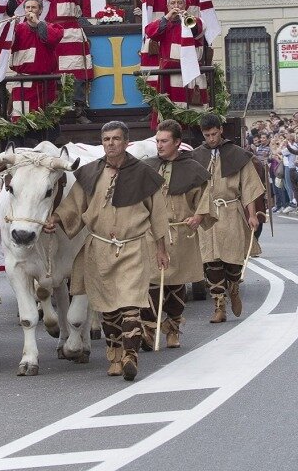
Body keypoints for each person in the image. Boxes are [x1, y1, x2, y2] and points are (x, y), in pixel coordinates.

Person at [46, 121, 169, 381]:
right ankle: (114, 352)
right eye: (106, 139)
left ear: (126, 142)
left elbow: (158, 215)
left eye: (115, 139)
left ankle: (130, 356)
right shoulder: (90, 173)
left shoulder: (145, 175)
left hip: (133, 246)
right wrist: (55, 219)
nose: (111, 143)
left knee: (131, 305)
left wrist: (161, 248)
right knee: (108, 308)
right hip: (100, 247)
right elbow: (73, 205)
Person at [140, 119, 214, 349]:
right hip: (152, 234)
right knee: (151, 282)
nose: (159, 146)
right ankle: (149, 329)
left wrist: (199, 217)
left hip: (181, 232)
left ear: (177, 143)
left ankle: (173, 329)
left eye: (164, 141)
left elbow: (205, 198)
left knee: (176, 283)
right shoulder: (147, 167)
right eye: (157, 141)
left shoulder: (193, 169)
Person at [192, 114, 265, 323]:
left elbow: (249, 187)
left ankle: (233, 287)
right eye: (207, 135)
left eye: (214, 134)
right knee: (211, 262)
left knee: (233, 262)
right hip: (207, 214)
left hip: (230, 211)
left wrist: (252, 215)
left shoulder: (238, 155)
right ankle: (219, 306)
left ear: (220, 130)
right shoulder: (197, 156)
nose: (211, 139)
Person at [24, 0, 93, 123]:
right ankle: (55, 112)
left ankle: (79, 110)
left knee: (76, 71)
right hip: (49, 30)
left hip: (71, 32)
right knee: (53, 71)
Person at [145, 0, 208, 123]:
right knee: (169, 110)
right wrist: (167, 17)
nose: (176, 6)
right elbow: (150, 32)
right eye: (172, 3)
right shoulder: (164, 23)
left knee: (190, 110)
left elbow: (200, 29)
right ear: (167, 6)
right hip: (168, 75)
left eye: (180, 3)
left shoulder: (192, 19)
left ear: (185, 5)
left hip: (188, 74)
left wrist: (186, 17)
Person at [9, 0, 64, 121]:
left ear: (40, 10)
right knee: (21, 120)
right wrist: (11, 27)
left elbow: (53, 39)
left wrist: (38, 23)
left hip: (45, 84)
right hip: (23, 83)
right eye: (27, 7)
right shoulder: (18, 28)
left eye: (33, 7)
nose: (30, 10)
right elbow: (6, 44)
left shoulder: (52, 27)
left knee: (45, 120)